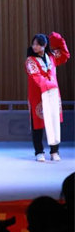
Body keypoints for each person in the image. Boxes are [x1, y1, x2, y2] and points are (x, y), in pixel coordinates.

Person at [25, 32, 70, 162]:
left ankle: (54, 151)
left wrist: (57, 38)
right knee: (38, 124)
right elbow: (36, 76)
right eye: (33, 44)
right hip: (38, 95)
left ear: (44, 45)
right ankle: (39, 152)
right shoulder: (30, 60)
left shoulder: (52, 56)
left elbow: (65, 54)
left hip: (53, 94)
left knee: (54, 121)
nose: (35, 46)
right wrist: (49, 84)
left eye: (38, 44)